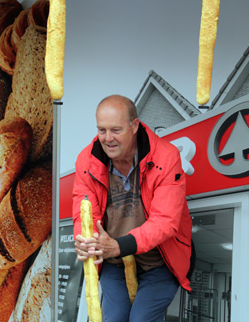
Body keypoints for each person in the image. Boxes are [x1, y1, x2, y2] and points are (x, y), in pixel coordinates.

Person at [72, 94, 193, 321]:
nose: (107, 139)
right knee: (115, 318)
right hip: (114, 262)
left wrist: (118, 245)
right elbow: (84, 212)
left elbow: (166, 221)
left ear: (134, 125)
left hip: (159, 261)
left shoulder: (166, 157)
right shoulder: (86, 162)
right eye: (102, 130)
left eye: (116, 130)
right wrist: (84, 239)